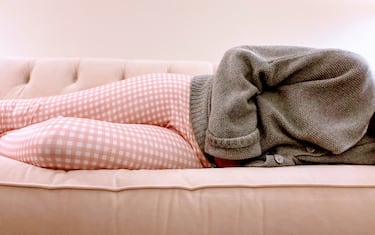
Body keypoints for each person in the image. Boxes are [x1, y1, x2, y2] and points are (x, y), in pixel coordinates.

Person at [0, 45, 374, 170]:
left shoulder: (369, 155)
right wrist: (233, 146)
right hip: (184, 99)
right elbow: (241, 60)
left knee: (60, 142)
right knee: (21, 113)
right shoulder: (352, 72)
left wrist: (239, 162)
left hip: (198, 158)